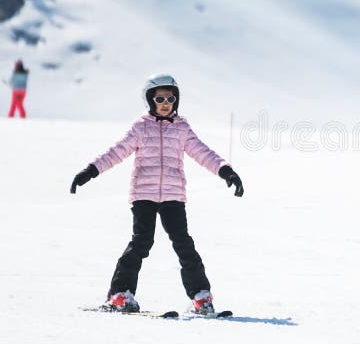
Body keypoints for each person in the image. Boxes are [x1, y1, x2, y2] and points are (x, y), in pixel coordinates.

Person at [70, 73, 244, 314]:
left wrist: (227, 172)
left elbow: (203, 153)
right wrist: (90, 171)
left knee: (184, 244)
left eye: (170, 99)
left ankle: (201, 298)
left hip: (173, 195)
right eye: (160, 98)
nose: (165, 103)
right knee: (141, 243)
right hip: (144, 195)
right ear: (150, 99)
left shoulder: (182, 128)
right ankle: (120, 295)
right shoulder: (140, 127)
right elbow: (117, 152)